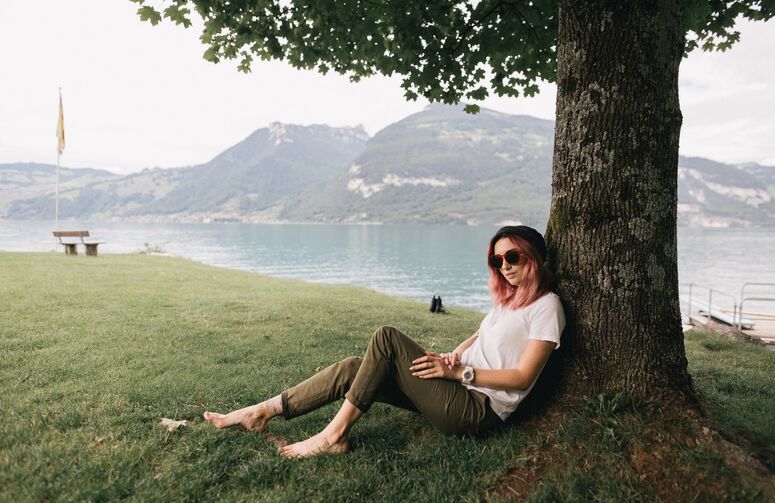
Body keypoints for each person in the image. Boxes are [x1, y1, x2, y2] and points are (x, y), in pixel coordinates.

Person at [203, 225, 565, 458]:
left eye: (512, 257)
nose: (504, 265)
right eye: (497, 259)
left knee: (387, 338)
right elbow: (483, 334)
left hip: (477, 410)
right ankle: (262, 411)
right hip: (457, 389)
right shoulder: (510, 301)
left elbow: (522, 378)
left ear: (534, 257)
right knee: (353, 368)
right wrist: (455, 354)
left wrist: (459, 374)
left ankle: (333, 435)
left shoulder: (547, 307)